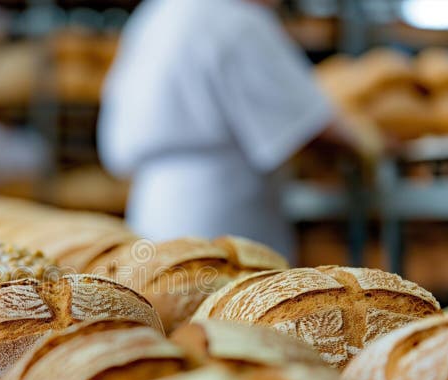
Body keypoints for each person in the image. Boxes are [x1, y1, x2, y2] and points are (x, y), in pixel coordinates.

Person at [99, 0, 380, 260]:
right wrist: (369, 144)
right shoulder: (236, 20)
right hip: (221, 211)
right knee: (232, 309)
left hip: (153, 208)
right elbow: (309, 125)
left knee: (164, 305)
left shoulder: (159, 12)